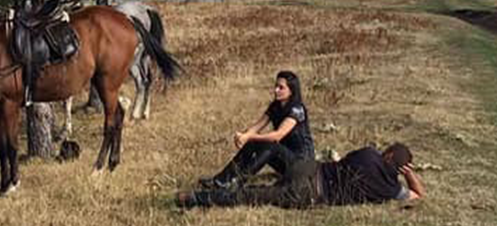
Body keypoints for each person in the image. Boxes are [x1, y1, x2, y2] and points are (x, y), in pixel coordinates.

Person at [177, 140, 427, 209]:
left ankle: (228, 176)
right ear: (401, 169)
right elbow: (418, 194)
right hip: (311, 194)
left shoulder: (369, 154)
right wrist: (409, 175)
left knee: (273, 150)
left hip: (308, 167)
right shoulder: (390, 190)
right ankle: (196, 198)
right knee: (249, 196)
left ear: (389, 155)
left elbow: (344, 161)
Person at [196, 70, 314, 191]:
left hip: (302, 164)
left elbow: (277, 135)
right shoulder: (275, 106)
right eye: (276, 86)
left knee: (270, 146)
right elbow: (258, 126)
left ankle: (239, 181)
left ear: (291, 91)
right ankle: (221, 180)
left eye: (281, 88)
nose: (276, 90)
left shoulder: (297, 109)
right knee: (254, 143)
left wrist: (250, 137)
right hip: (285, 159)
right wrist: (244, 135)